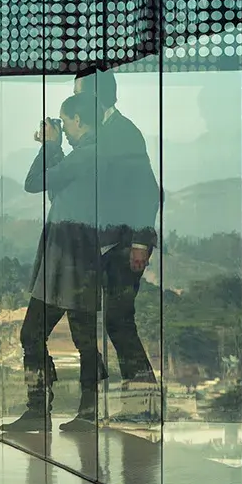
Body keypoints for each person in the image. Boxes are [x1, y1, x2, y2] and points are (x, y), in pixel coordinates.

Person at [1, 93, 106, 433]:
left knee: (33, 333)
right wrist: (55, 146)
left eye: (65, 121)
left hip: (67, 258)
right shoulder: (91, 156)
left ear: (78, 121)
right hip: (79, 256)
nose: (63, 128)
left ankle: (40, 408)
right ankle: (85, 409)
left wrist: (49, 145)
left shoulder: (86, 156)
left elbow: (35, 183)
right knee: (83, 337)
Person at [74, 66, 160, 421]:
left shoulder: (124, 133)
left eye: (80, 94)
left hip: (122, 244)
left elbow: (146, 188)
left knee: (119, 322)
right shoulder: (98, 133)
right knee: (106, 322)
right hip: (101, 243)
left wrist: (140, 240)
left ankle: (143, 405)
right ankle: (122, 405)